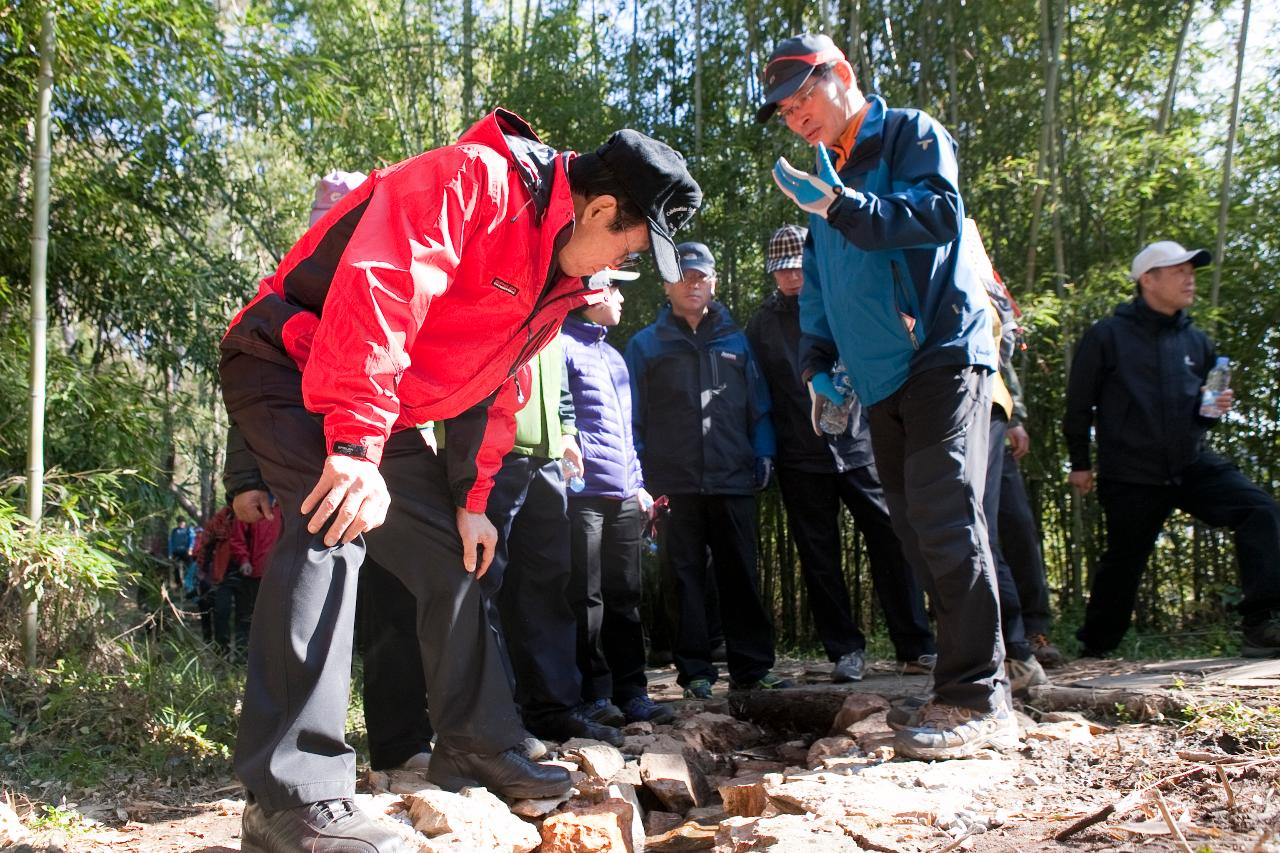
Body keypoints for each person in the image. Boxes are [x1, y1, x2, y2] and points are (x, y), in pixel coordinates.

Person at [219, 109, 700, 852]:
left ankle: (474, 739)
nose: (615, 266)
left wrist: (473, 503)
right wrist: (353, 443)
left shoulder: (555, 276)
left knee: (453, 554)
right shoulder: (472, 181)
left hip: (371, 398)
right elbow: (380, 289)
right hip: (286, 357)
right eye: (628, 242)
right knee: (333, 518)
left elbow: (492, 385)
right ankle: (290, 795)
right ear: (601, 208)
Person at [761, 33, 1012, 760]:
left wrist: (842, 204)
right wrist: (816, 365)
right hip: (879, 381)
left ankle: (978, 697)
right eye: (783, 109)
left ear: (841, 75)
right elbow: (821, 284)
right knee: (913, 532)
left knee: (943, 517)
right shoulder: (818, 171)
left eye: (802, 96)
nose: (794, 115)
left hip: (941, 353)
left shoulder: (909, 134)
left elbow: (937, 215)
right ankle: (956, 684)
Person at [1064, 240, 1280, 658]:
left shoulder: (1197, 341)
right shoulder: (1107, 335)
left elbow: (1202, 413)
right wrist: (1080, 463)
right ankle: (1094, 651)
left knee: (1261, 510)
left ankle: (1261, 623)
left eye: (1192, 271)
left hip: (1190, 462)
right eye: (1179, 270)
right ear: (1148, 279)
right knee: (1123, 561)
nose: (1189, 278)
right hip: (1131, 471)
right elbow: (1079, 404)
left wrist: (1214, 410)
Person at [745, 224, 936, 683]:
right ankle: (844, 650)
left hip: (863, 445)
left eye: (797, 268)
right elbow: (758, 394)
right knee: (819, 556)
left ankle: (915, 644)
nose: (791, 278)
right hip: (799, 454)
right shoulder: (761, 324)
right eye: (782, 270)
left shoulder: (842, 302)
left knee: (894, 540)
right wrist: (765, 451)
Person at [625, 241, 791, 700]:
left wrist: (763, 453)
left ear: (713, 282)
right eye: (683, 276)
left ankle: (753, 669)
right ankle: (695, 672)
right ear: (666, 284)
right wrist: (639, 473)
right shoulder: (646, 345)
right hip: (673, 482)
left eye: (700, 276)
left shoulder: (738, 340)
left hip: (733, 475)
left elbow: (759, 405)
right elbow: (632, 413)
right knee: (683, 577)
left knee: (741, 574)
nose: (692, 284)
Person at [474, 342, 625, 748]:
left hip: (546, 458)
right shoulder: (492, 282)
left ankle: (554, 710)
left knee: (549, 584)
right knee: (483, 587)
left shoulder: (554, 300)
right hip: (486, 450)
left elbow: (555, 377)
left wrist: (566, 430)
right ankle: (497, 720)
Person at [561, 271, 674, 725]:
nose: (622, 297)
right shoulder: (559, 346)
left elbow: (625, 433)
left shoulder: (614, 355)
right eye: (614, 288)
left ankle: (634, 693)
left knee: (625, 595)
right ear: (590, 293)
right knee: (585, 598)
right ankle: (593, 695)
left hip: (625, 494)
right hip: (581, 495)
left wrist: (639, 484)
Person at [168, 519, 197, 592]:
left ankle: (190, 584)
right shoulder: (174, 531)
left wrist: (190, 549)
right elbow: (171, 542)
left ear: (184, 522)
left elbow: (192, 539)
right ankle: (179, 584)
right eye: (179, 522)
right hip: (176, 552)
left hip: (186, 552)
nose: (181, 524)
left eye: (182, 522)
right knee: (176, 568)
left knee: (190, 567)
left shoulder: (188, 530)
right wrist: (170, 553)